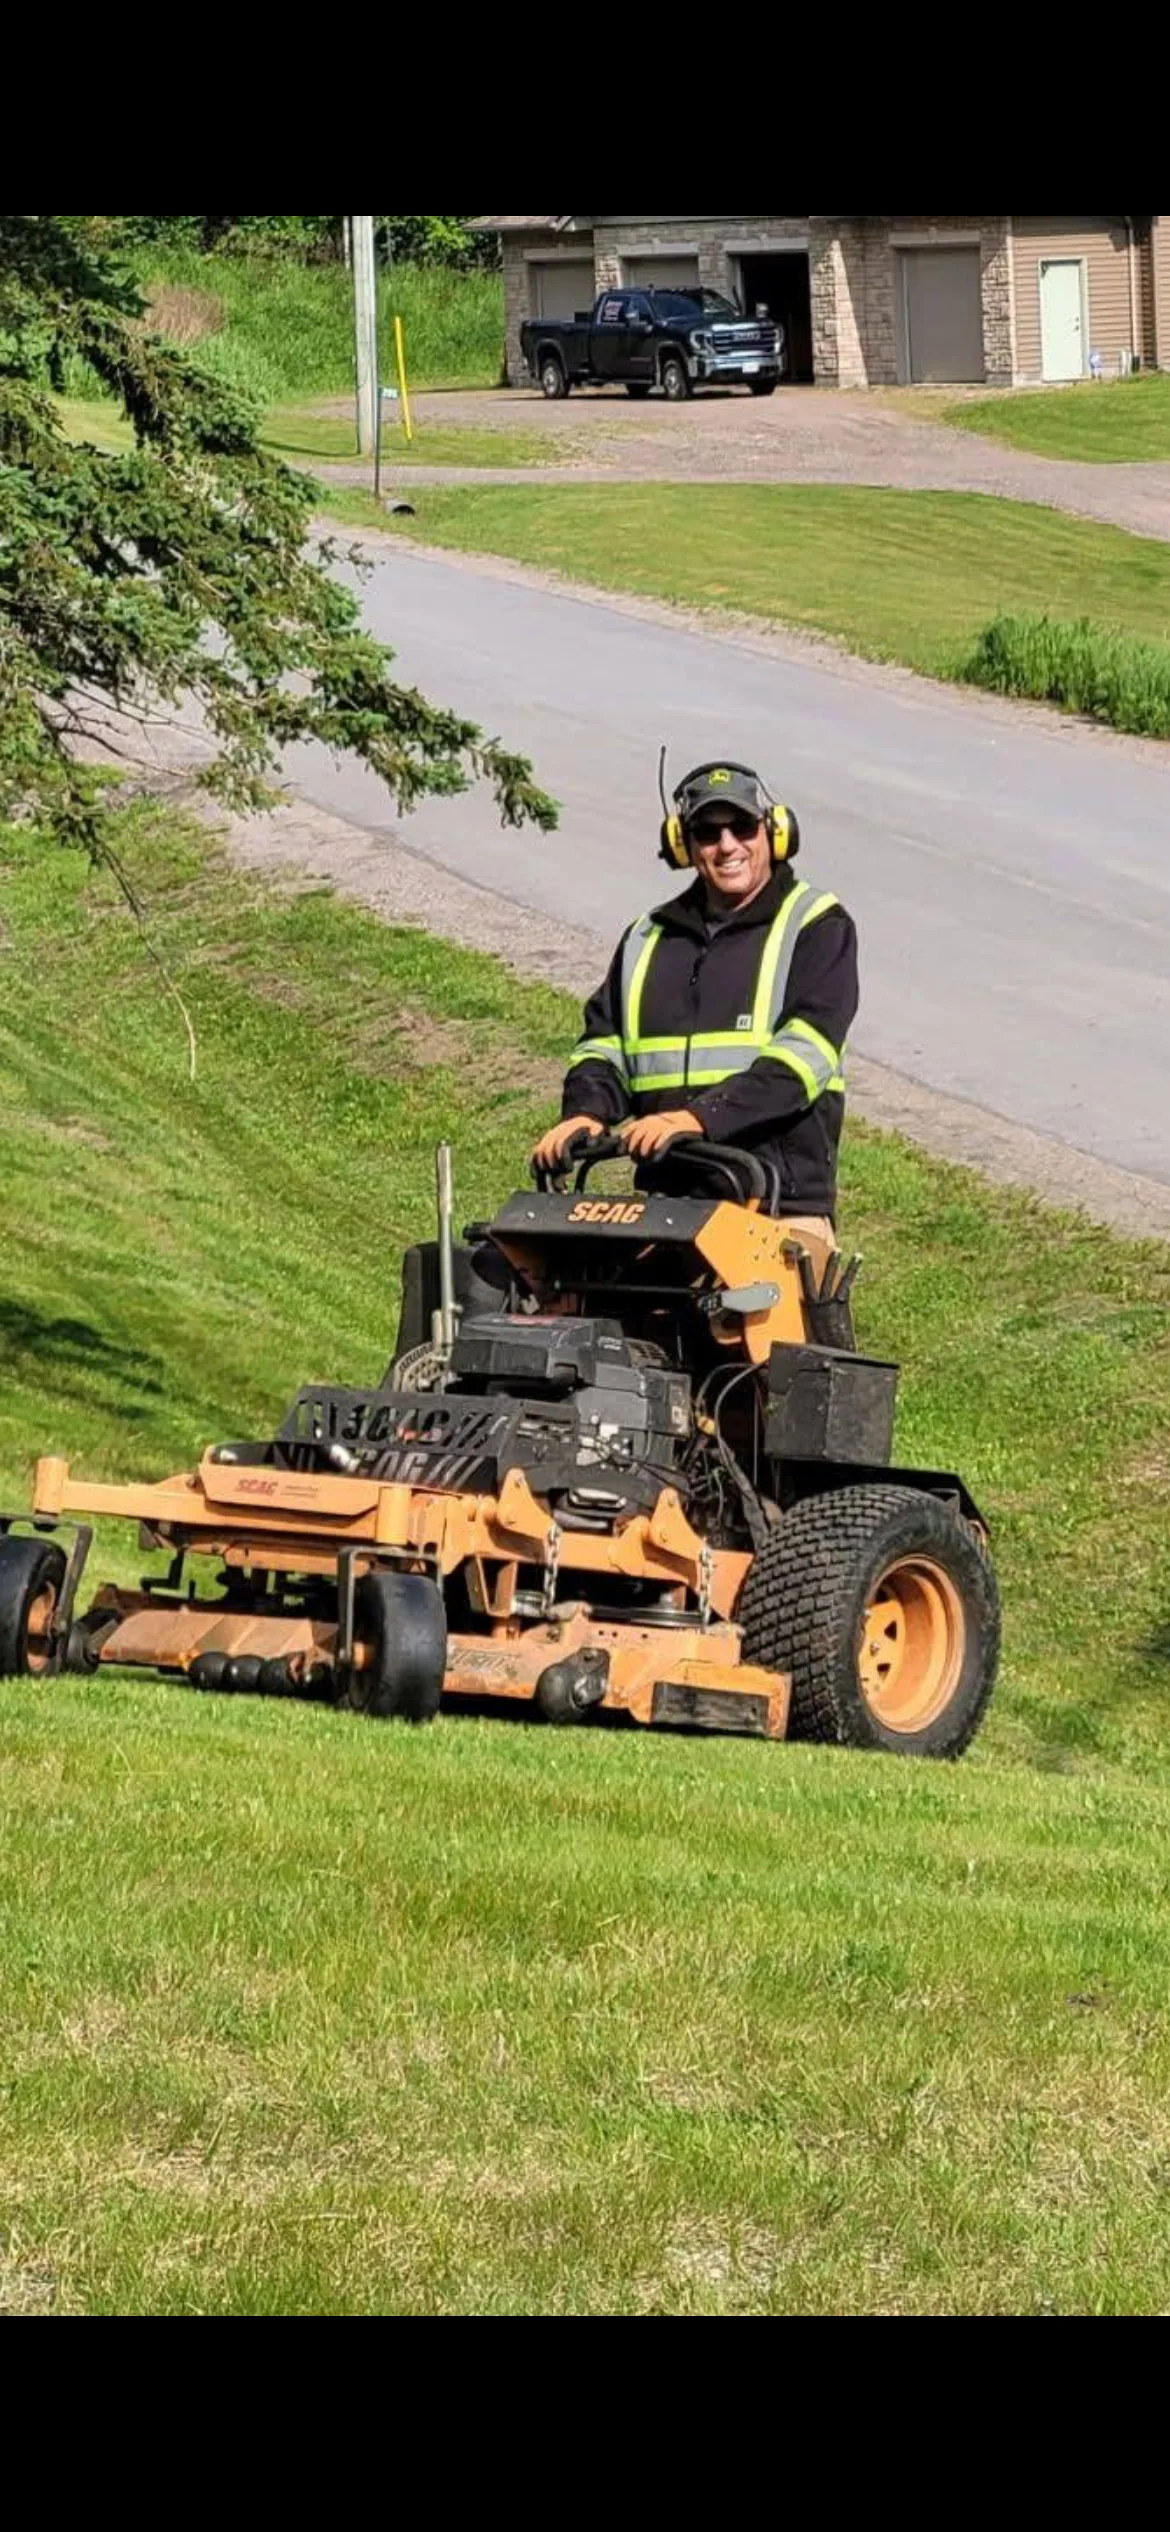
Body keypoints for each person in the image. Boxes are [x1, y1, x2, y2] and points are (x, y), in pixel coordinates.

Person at [533, 761, 859, 1235]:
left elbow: (803, 1061)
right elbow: (604, 1046)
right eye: (708, 832)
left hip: (778, 1206)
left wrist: (695, 1119)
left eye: (742, 827)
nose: (727, 845)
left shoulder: (816, 926)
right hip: (669, 1206)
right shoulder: (648, 937)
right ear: (683, 845)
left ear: (773, 832)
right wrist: (584, 1112)